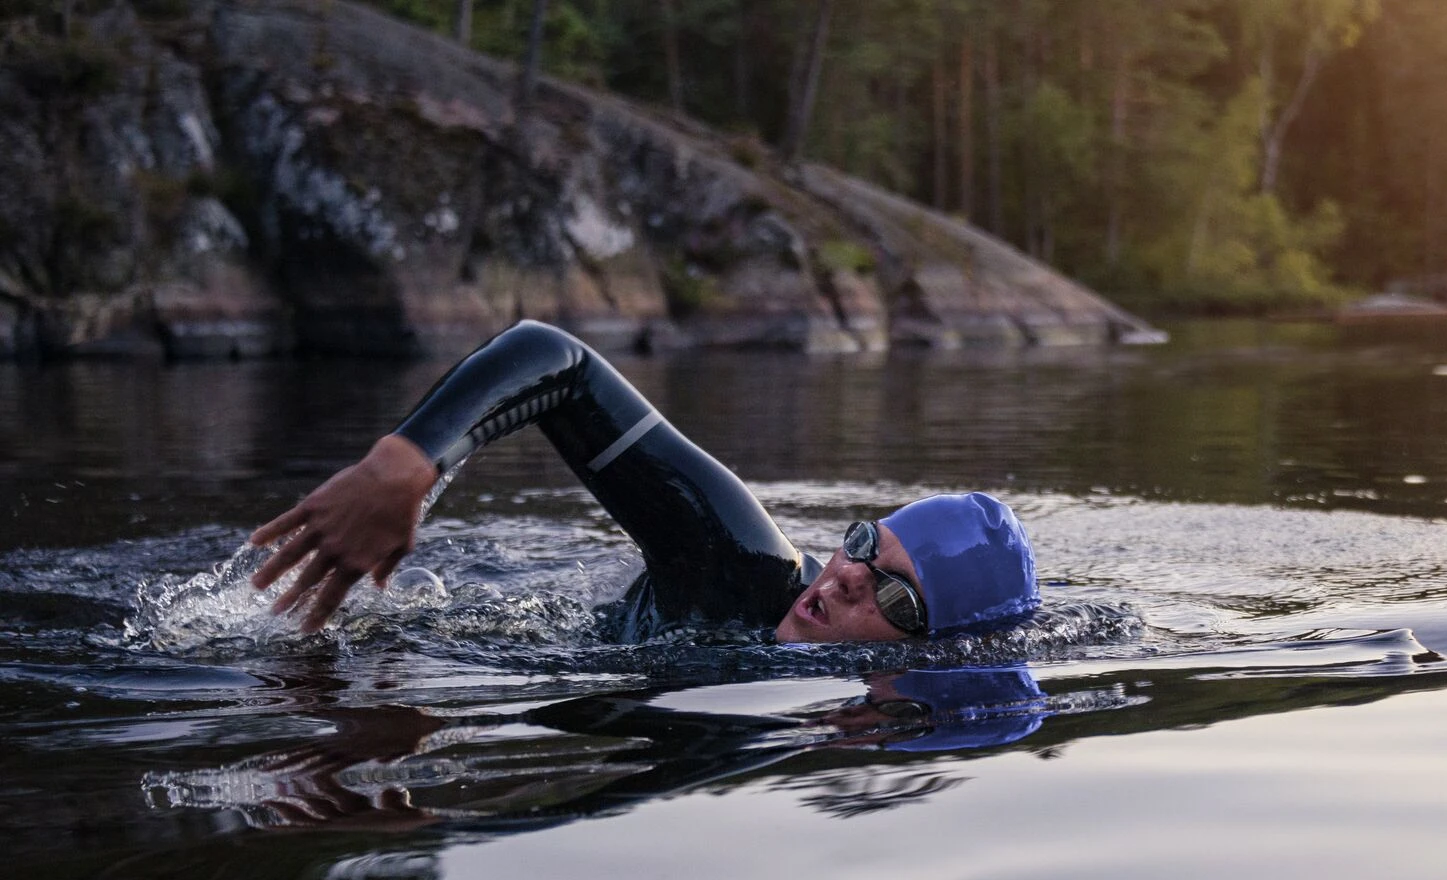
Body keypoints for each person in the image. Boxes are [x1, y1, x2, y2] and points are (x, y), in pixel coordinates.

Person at [249, 320, 1041, 643]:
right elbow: (556, 360)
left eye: (893, 599)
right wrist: (406, 463)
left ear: (936, 652)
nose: (843, 582)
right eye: (863, 546)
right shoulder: (741, 563)